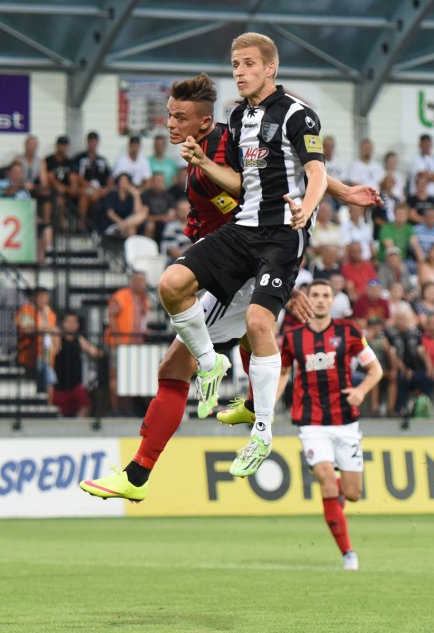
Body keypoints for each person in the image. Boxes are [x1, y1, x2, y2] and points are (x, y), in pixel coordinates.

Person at [81, 71, 371, 499]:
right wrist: (343, 192)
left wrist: (283, 280)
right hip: (234, 264)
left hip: (240, 271)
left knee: (176, 368)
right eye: (169, 115)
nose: (170, 124)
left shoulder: (222, 147)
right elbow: (284, 174)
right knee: (237, 337)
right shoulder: (221, 141)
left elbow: (273, 193)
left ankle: (137, 475)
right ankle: (248, 405)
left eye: (179, 117)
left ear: (203, 121)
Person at [277, 280, 382, 570]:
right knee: (325, 479)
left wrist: (361, 391)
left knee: (352, 493)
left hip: (345, 421)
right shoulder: (293, 337)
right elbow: (283, 373)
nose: (321, 300)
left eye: (326, 295)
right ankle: (348, 553)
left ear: (333, 300)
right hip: (311, 422)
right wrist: (267, 406)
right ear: (307, 299)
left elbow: (375, 370)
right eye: (315, 295)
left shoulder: (348, 332)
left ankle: (337, 489)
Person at [52, 312, 103, 417]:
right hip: (59, 387)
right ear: (63, 323)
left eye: (74, 322)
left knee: (86, 405)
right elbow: (53, 349)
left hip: (76, 386)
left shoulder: (79, 340)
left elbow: (95, 352)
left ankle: (76, 425)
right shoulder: (58, 339)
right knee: (59, 412)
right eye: (69, 321)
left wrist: (102, 352)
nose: (71, 324)